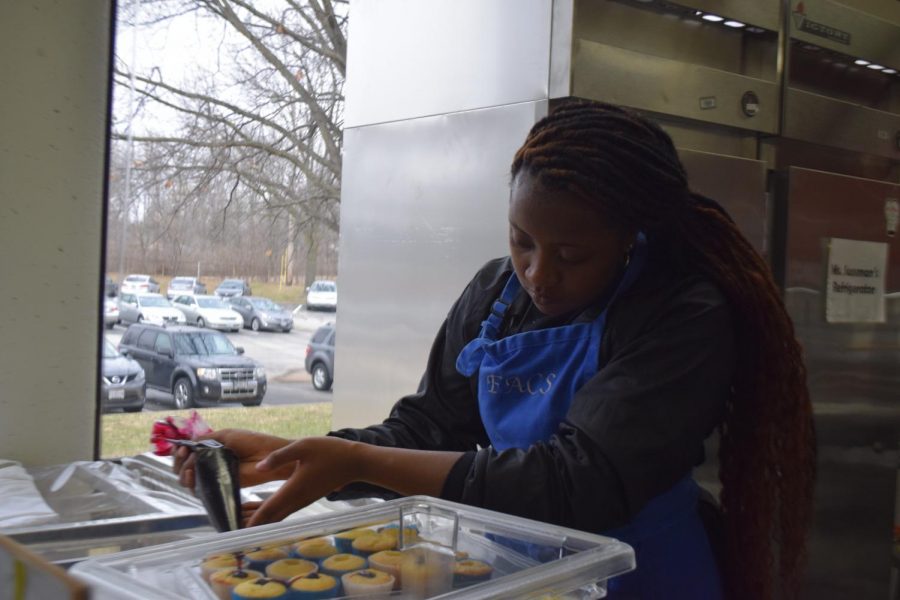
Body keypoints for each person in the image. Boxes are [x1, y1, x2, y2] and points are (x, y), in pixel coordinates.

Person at [175, 100, 815, 599]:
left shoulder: (681, 313)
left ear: (630, 238)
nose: (538, 274)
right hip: (523, 569)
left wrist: (354, 461)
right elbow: (427, 427)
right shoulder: (495, 295)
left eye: (571, 255)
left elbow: (578, 481)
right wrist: (299, 458)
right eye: (521, 240)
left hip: (644, 571)